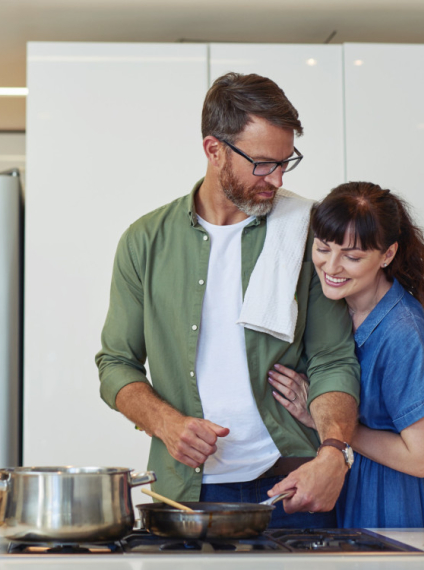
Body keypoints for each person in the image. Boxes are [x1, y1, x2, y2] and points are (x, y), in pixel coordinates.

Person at [96, 72, 361, 528]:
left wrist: (334, 452)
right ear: (213, 149)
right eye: (261, 163)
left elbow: (333, 359)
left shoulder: (307, 234)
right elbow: (115, 362)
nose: (276, 179)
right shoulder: (145, 241)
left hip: (293, 483)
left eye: (285, 162)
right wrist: (166, 423)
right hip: (185, 493)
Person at [269, 181, 424, 527]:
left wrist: (327, 426)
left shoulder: (403, 332)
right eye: (322, 248)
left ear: (387, 255)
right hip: (333, 497)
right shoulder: (331, 312)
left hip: (384, 507)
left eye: (352, 256)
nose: (331, 267)